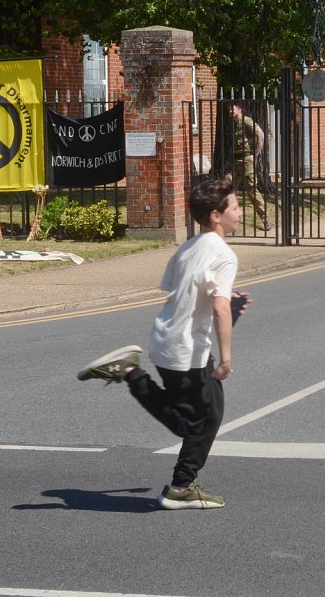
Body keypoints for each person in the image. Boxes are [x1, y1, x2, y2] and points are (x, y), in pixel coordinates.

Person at [77, 179, 250, 510]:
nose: (240, 213)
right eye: (235, 207)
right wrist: (227, 357)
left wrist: (227, 316)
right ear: (217, 215)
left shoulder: (187, 247)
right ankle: (130, 373)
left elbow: (184, 295)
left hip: (169, 341)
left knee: (203, 416)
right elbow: (218, 306)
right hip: (186, 352)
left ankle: (181, 484)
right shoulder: (224, 255)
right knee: (195, 423)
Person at [229, 102, 270, 231]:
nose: (230, 112)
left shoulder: (246, 121)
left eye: (232, 109)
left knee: (252, 191)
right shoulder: (234, 124)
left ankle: (266, 219)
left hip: (246, 162)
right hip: (236, 162)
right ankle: (230, 218)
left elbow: (260, 135)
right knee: (228, 188)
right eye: (229, 110)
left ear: (239, 109)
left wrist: (255, 155)